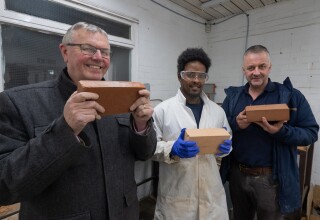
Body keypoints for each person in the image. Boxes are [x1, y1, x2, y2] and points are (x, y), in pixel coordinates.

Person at [0, 22, 157, 220]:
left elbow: (145, 153)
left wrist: (142, 126)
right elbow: (5, 186)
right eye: (88, 49)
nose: (98, 57)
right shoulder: (19, 103)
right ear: (65, 52)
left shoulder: (124, 98)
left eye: (105, 52)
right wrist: (65, 130)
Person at [220, 45, 319, 220]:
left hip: (271, 179)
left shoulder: (291, 96)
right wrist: (235, 124)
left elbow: (311, 132)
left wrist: (281, 131)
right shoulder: (233, 97)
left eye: (262, 66)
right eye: (251, 68)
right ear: (244, 70)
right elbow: (220, 128)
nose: (256, 72)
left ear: (270, 67)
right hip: (237, 175)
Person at [152, 48, 232, 220]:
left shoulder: (218, 112)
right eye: (190, 74)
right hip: (177, 198)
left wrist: (224, 149)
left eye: (201, 75)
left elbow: (227, 141)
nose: (196, 80)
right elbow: (149, 148)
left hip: (211, 196)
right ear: (179, 76)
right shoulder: (162, 110)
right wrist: (172, 148)